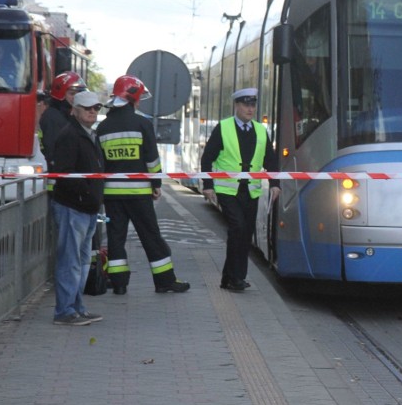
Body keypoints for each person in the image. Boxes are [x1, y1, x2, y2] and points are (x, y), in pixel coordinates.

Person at [96, 75, 190, 295]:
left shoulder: (103, 128)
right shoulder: (142, 124)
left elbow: (99, 163)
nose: (140, 102)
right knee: (150, 236)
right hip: (139, 192)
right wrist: (156, 184)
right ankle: (165, 281)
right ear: (133, 98)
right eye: (139, 98)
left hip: (111, 194)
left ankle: (118, 283)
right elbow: (152, 160)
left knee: (116, 237)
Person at [201, 88, 280, 291]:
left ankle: (230, 277)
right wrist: (208, 186)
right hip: (227, 191)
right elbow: (207, 158)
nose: (250, 109)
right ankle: (235, 278)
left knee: (245, 235)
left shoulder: (261, 130)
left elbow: (270, 159)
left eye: (253, 105)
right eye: (246, 105)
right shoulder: (223, 127)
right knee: (237, 227)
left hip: (251, 191)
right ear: (236, 105)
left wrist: (275, 184)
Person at [49, 90, 105, 326]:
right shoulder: (70, 135)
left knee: (81, 263)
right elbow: (65, 174)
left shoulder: (88, 134)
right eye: (88, 108)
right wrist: (85, 194)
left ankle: (76, 307)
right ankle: (64, 311)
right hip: (74, 209)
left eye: (96, 109)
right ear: (75, 110)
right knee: (70, 262)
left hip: (86, 208)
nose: (93, 112)